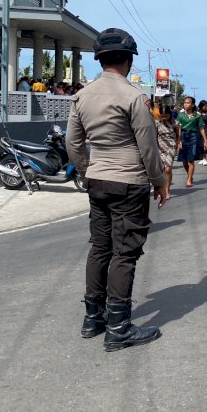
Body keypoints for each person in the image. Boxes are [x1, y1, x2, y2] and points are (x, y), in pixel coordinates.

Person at [65, 27, 166, 352]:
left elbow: (73, 142)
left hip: (98, 179)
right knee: (125, 252)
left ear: (101, 59)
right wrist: (159, 181)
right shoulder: (134, 97)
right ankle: (119, 327)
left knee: (100, 247)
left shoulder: (82, 95)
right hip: (129, 182)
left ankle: (92, 318)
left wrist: (86, 169)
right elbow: (148, 148)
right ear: (128, 60)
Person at [176, 96, 207, 187]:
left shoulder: (197, 116)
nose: (186, 104)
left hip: (193, 137)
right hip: (183, 137)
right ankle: (189, 174)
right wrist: (178, 141)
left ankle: (189, 179)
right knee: (184, 161)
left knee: (191, 160)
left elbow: (201, 128)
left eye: (188, 103)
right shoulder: (180, 115)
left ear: (193, 104)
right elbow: (178, 128)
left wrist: (205, 141)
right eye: (185, 102)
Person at [155, 104, 180, 200]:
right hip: (160, 148)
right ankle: (160, 187)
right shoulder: (157, 123)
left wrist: (178, 145)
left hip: (171, 147)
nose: (164, 117)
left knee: (167, 169)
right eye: (163, 115)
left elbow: (177, 135)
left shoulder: (175, 123)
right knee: (161, 170)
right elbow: (154, 136)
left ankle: (167, 190)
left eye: (166, 115)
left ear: (170, 114)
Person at [197, 100, 207, 164]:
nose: (206, 107)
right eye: (204, 106)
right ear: (201, 106)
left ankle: (205, 157)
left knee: (206, 142)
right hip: (199, 129)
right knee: (200, 143)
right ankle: (202, 158)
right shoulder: (197, 113)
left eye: (206, 106)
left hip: (206, 128)